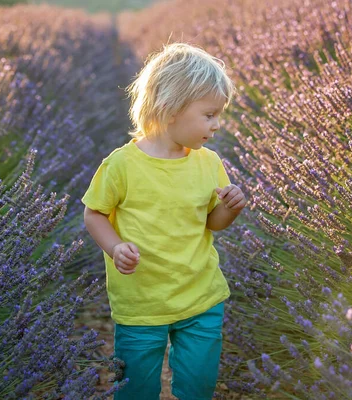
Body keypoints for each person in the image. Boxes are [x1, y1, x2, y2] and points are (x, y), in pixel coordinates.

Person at [81, 42, 246, 400]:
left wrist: (230, 209)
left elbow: (211, 223)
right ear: (171, 108)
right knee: (135, 388)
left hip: (201, 296)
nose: (217, 125)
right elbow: (93, 213)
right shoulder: (122, 165)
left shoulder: (208, 162)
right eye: (209, 115)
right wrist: (115, 246)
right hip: (142, 302)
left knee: (199, 385)